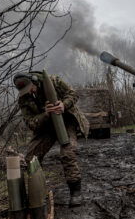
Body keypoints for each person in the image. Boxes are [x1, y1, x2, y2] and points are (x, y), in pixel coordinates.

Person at [13, 71, 89, 207]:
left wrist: (63, 105)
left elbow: (73, 94)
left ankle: (75, 193)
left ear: (34, 80)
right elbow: (31, 123)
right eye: (25, 91)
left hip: (66, 121)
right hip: (46, 126)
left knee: (67, 153)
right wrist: (46, 114)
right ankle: (38, 194)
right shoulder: (24, 99)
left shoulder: (53, 82)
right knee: (31, 158)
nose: (29, 91)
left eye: (30, 87)